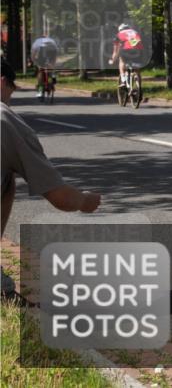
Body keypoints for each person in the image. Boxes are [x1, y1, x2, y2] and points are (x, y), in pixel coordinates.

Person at [1, 58, 101, 297]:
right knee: (7, 179)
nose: (9, 99)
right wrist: (86, 201)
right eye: (11, 91)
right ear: (3, 82)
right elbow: (61, 198)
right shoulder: (5, 119)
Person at [30, 34, 58, 98]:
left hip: (43, 52)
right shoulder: (52, 41)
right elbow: (56, 53)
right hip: (52, 50)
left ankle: (40, 91)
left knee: (40, 70)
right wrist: (53, 63)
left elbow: (33, 54)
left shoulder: (36, 42)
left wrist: (35, 62)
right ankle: (53, 77)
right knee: (50, 68)